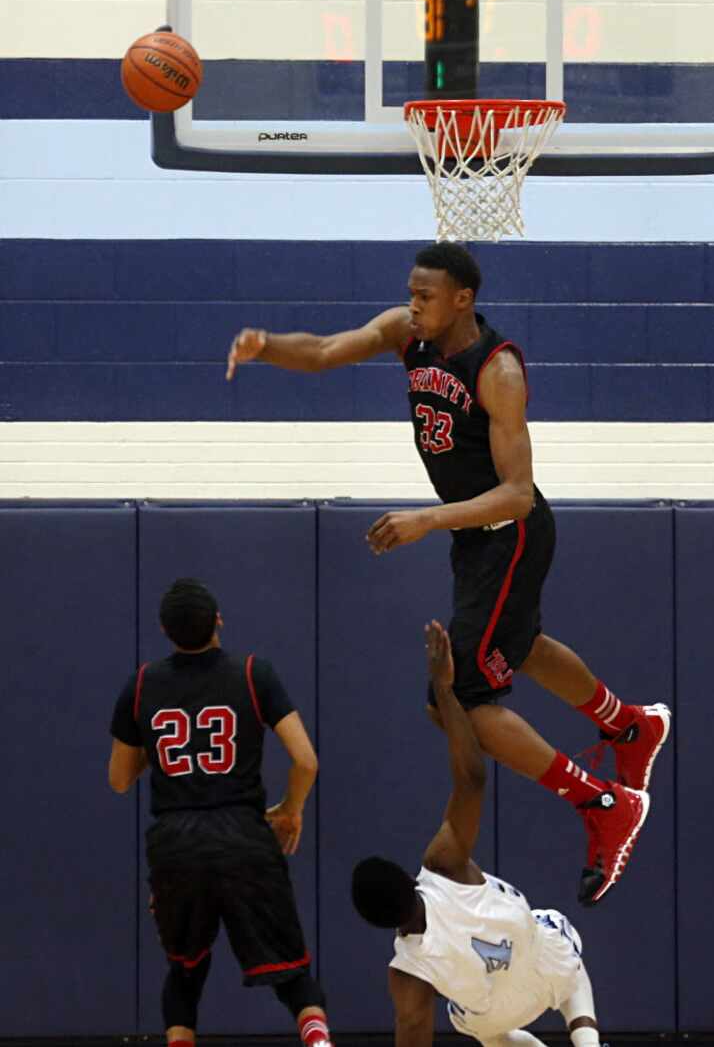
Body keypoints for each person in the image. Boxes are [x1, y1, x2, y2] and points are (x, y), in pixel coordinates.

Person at [226, 241, 670, 905]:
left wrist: (428, 520)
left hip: (511, 532)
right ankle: (629, 725)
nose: (413, 304)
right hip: (476, 538)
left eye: (425, 295)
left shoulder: (498, 370)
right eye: (411, 292)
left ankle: (603, 802)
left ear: (463, 299)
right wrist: (267, 348)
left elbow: (519, 492)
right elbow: (321, 351)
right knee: (517, 647)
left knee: (456, 698)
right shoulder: (409, 335)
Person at [352, 620, 604, 1047]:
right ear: (405, 877)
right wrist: (445, 690)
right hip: (546, 965)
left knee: (467, 1019)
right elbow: (471, 779)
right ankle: (587, 1041)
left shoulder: (407, 973)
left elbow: (412, 1030)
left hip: (492, 1013)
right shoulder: (443, 867)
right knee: (558, 930)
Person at [108, 578, 334, 1047]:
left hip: (175, 841)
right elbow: (306, 760)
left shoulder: (143, 684)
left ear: (166, 632)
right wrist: (291, 810)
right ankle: (319, 1040)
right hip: (243, 834)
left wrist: (158, 739)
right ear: (218, 622)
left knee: (186, 969)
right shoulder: (253, 674)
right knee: (291, 970)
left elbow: (119, 778)